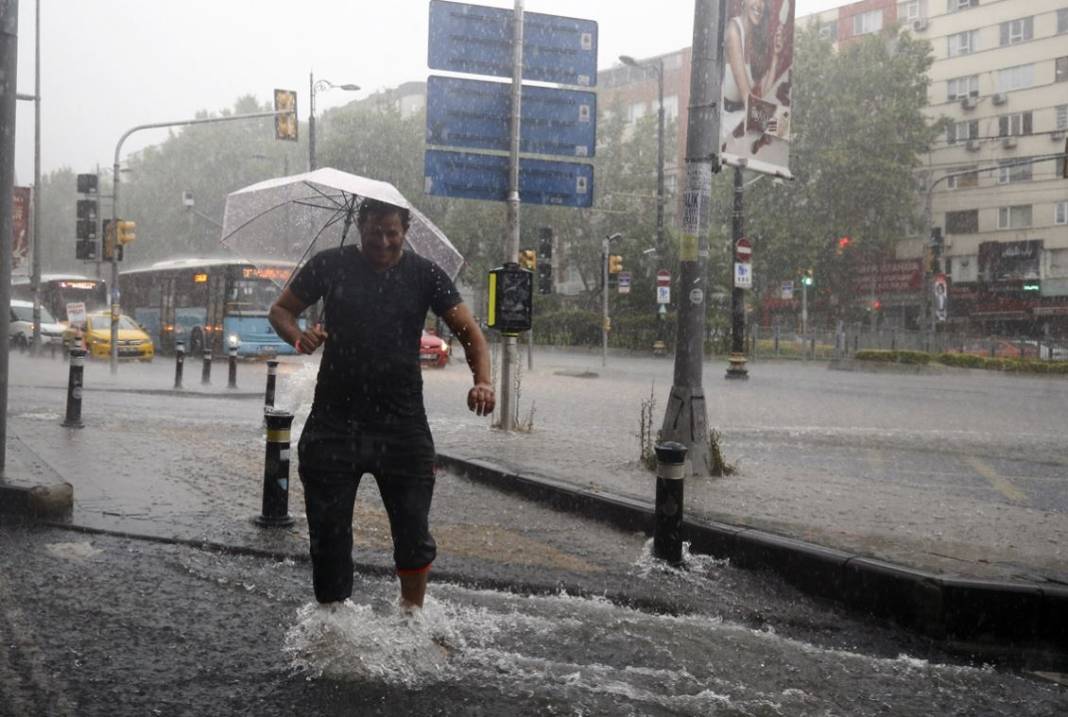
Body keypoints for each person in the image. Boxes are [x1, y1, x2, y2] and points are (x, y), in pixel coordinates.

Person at [268, 197, 495, 613]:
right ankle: (333, 619)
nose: (384, 242)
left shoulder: (425, 274)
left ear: (405, 232)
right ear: (361, 227)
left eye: (393, 233)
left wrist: (482, 381)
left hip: (402, 423)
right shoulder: (329, 265)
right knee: (329, 530)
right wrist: (298, 336)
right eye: (376, 232)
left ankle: (412, 615)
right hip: (334, 421)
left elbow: (470, 333)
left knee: (412, 530)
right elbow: (280, 310)